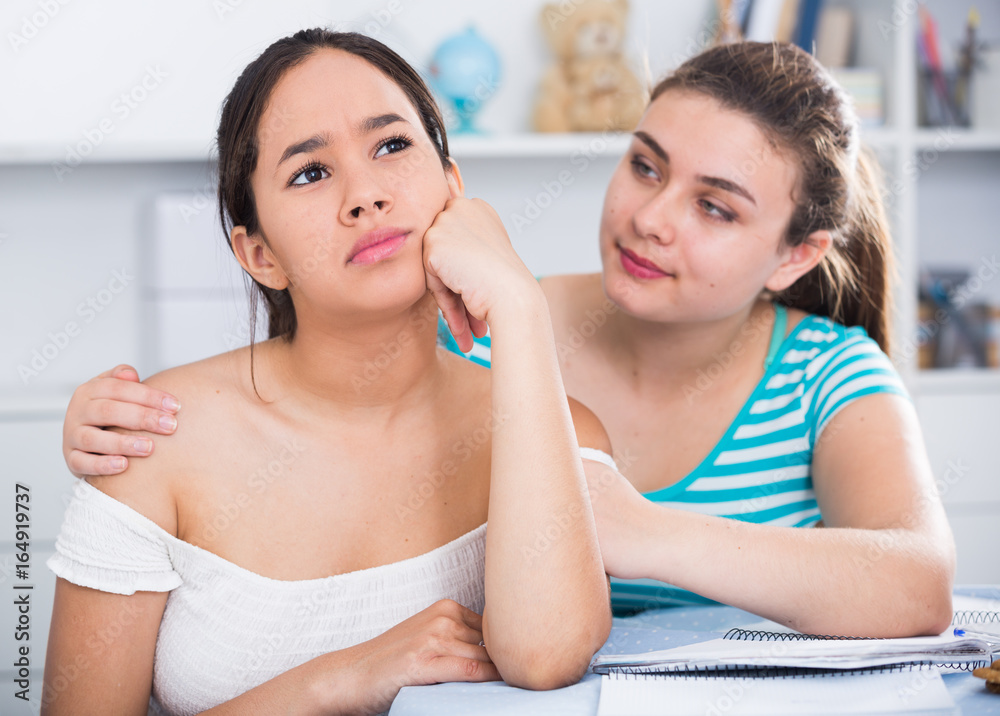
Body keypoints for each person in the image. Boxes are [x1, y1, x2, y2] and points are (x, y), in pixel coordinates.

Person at [62, 41, 956, 639]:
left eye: (715, 207)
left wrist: (634, 532)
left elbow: (919, 584)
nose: (651, 218)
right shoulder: (473, 331)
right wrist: (127, 435)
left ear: (796, 256)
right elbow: (320, 415)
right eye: (644, 165)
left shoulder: (824, 372)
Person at [43, 29, 613, 716]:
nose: (365, 195)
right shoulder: (147, 443)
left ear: (454, 189)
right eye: (311, 173)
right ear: (260, 256)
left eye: (392, 145)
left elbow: (546, 656)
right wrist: (340, 678)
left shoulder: (558, 439)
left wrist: (519, 305)